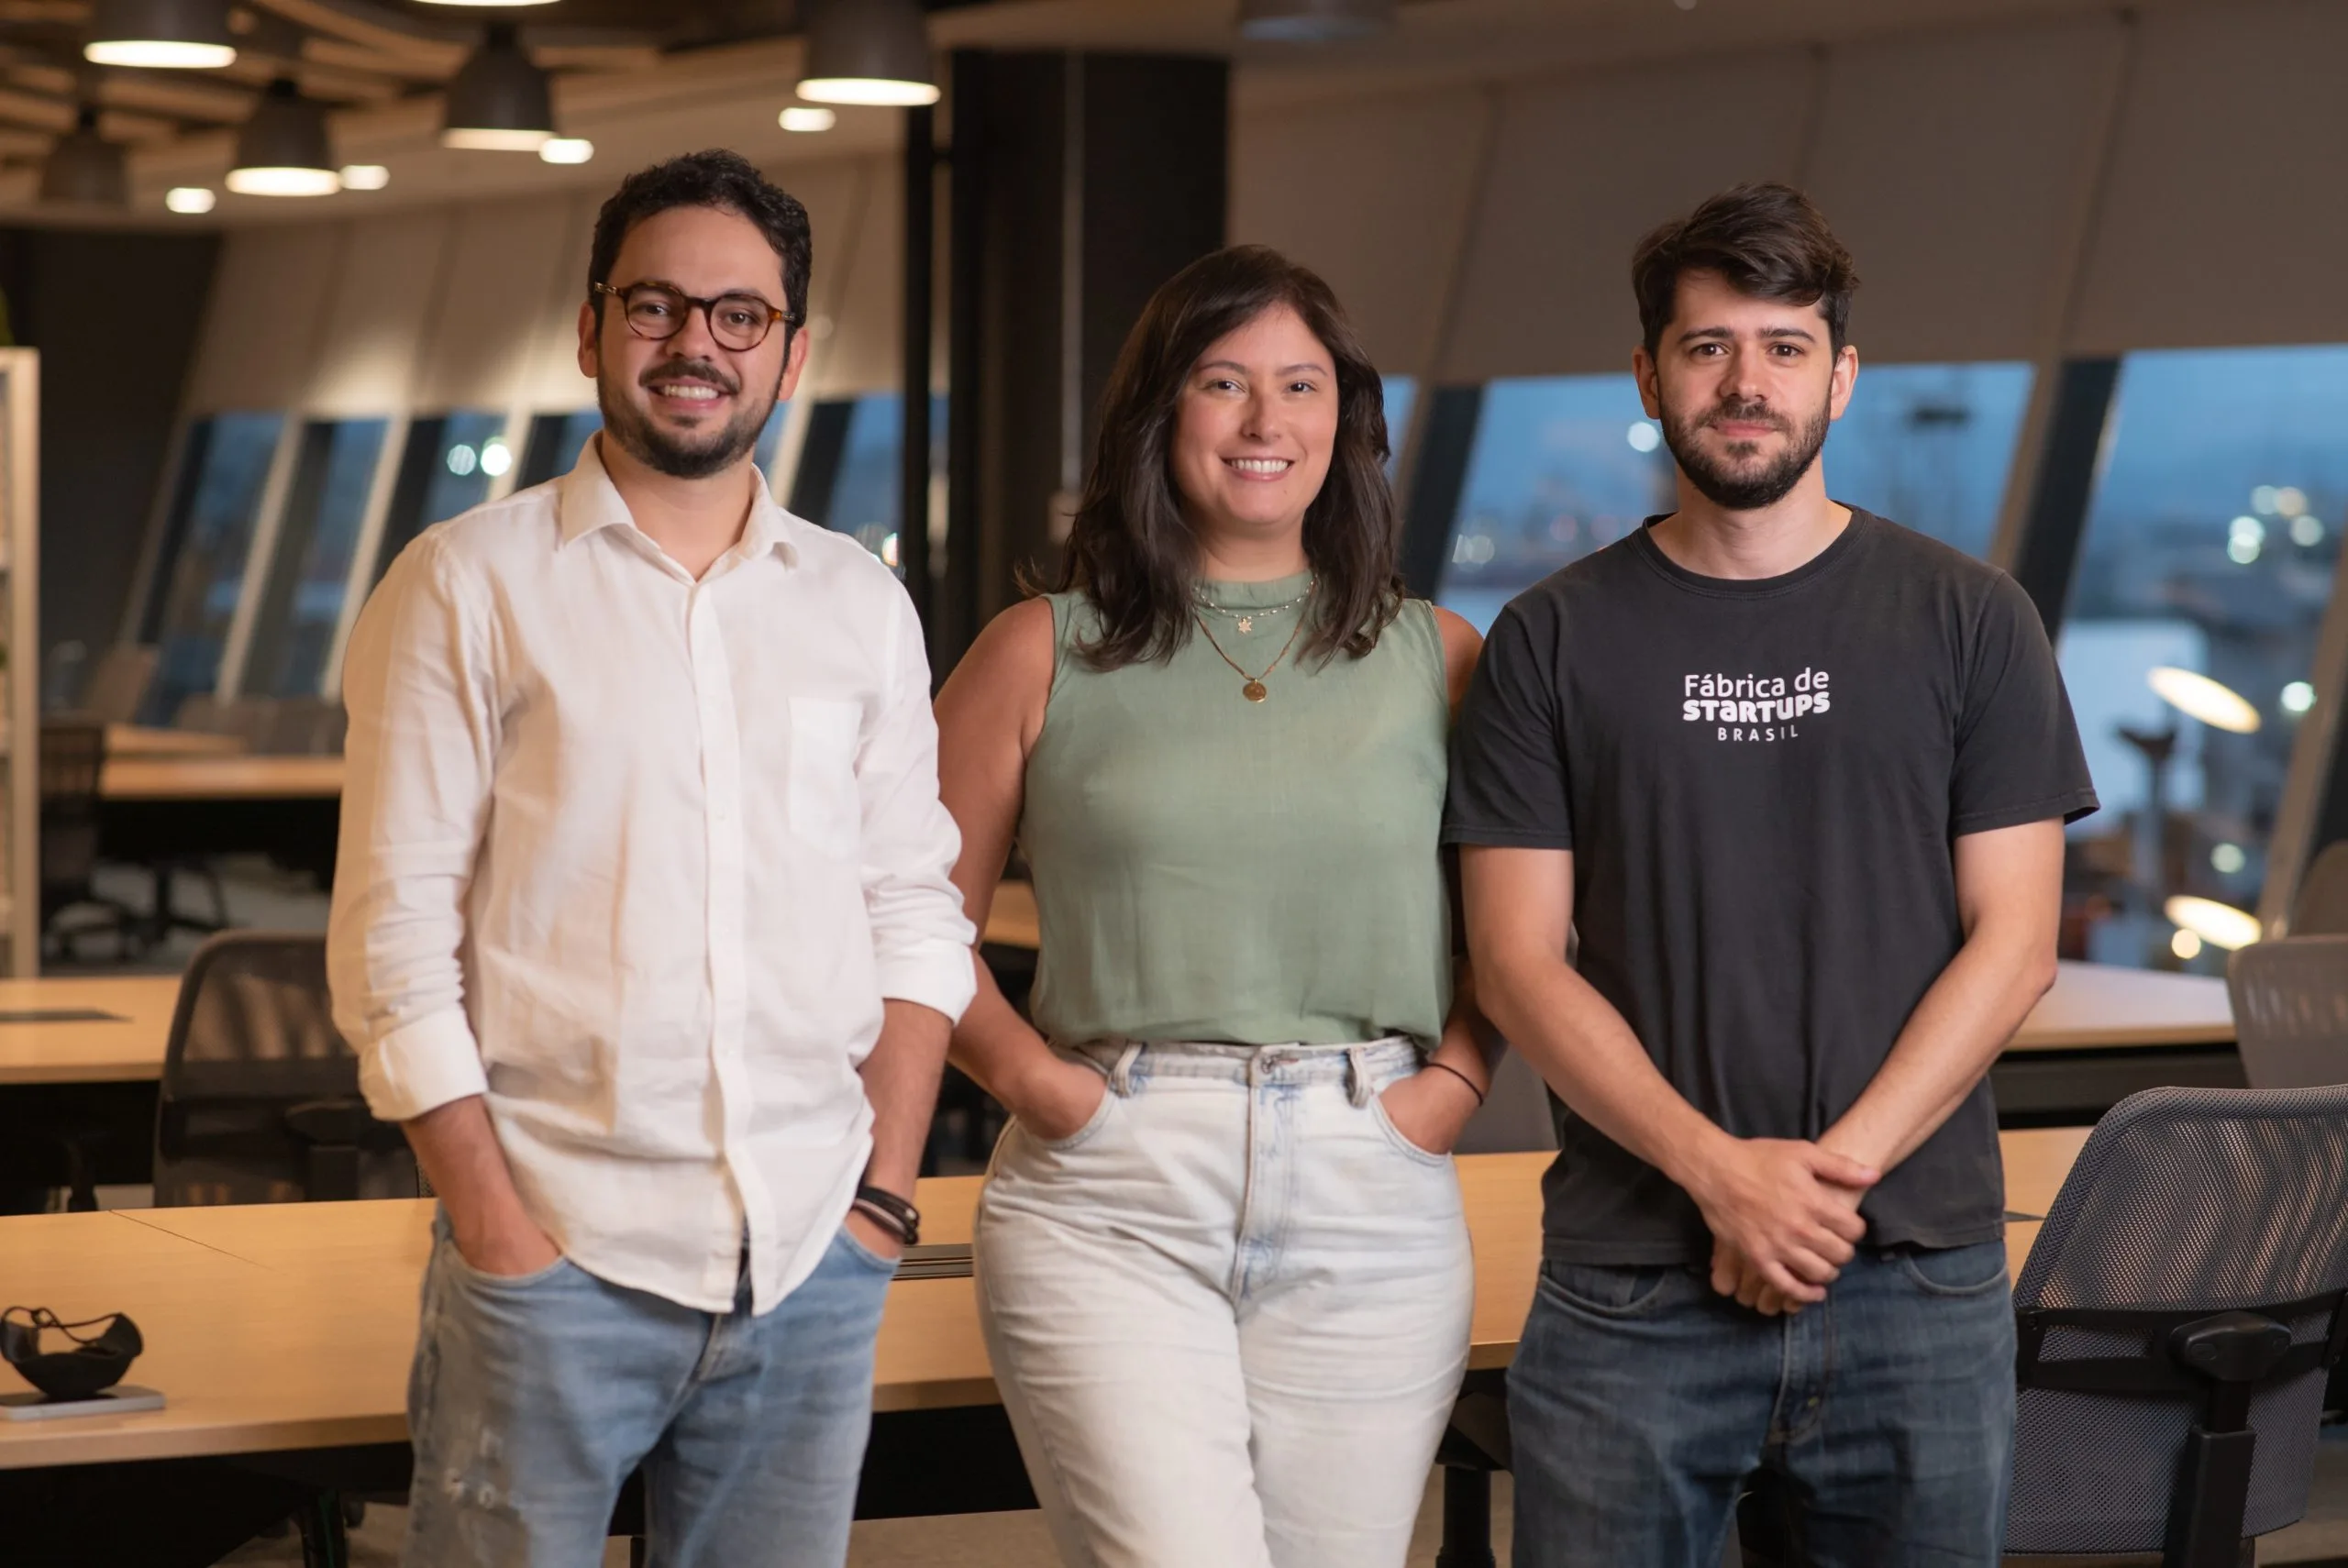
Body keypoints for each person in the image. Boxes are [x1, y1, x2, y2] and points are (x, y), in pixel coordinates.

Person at [327, 149, 974, 1568]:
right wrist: (497, 1230)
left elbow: (912, 908)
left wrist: (884, 1199)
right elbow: (393, 944)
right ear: (591, 326)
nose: (696, 345)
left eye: (740, 315)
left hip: (812, 1255)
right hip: (552, 1253)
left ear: (793, 353)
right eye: (657, 306)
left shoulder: (859, 606)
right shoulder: (465, 582)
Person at [1448, 182, 2098, 1567]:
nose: (1747, 383)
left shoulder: (1971, 619)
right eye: (1708, 347)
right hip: (1635, 1286)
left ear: (1842, 376)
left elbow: (2017, 940)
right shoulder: (1550, 642)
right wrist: (1717, 1176)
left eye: (1785, 347)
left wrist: (1818, 1183)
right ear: (1649, 373)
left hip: (1915, 1274)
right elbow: (1516, 960)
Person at [935, 244, 1494, 1568]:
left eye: (1300, 386)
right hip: (1111, 1184)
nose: (1265, 422)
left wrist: (1456, 1083)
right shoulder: (1039, 648)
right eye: (1223, 382)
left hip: (1376, 1173)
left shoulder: (1442, 658)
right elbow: (903, 918)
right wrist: (1039, 1084)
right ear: (1158, 414)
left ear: (1346, 425)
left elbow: (1521, 928)